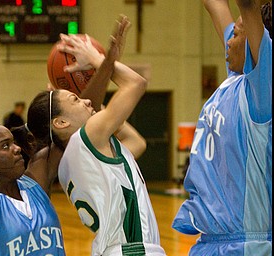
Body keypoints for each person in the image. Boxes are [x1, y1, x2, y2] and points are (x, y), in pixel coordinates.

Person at [23, 15, 166, 255]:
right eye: (75, 99)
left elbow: (136, 143)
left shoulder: (74, 158)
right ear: (60, 122)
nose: (87, 100)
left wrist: (108, 66)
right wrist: (98, 61)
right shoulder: (86, 138)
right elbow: (136, 84)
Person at [0, 11, 66, 255]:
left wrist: (105, 64)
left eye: (12, 143)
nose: (17, 148)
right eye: (5, 146)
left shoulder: (34, 185)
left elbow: (73, 129)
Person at [172, 0, 272, 255]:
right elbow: (214, 4)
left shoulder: (262, 90)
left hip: (248, 244)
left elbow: (248, 5)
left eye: (236, 34)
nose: (228, 40)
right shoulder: (234, 79)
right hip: (209, 242)